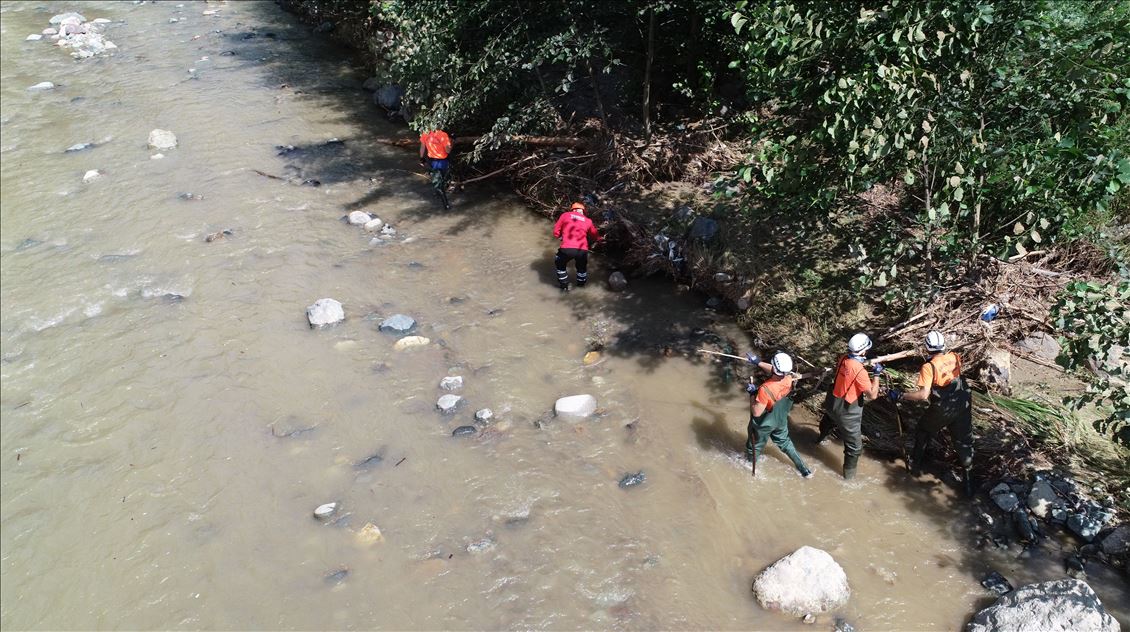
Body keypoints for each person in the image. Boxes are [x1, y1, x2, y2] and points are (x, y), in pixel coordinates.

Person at [887, 331, 973, 482]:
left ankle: (915, 466)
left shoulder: (928, 367)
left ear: (927, 348)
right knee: (963, 441)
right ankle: (968, 481)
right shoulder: (955, 356)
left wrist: (901, 395)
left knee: (923, 430)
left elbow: (923, 395)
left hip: (943, 408)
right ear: (943, 345)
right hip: (962, 402)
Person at [818, 333, 882, 479]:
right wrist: (877, 375)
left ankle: (818, 441)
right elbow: (872, 395)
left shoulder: (843, 358)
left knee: (828, 421)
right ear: (864, 351)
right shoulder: (860, 371)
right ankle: (848, 479)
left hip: (832, 403)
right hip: (847, 412)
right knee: (855, 447)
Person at [744, 352, 813, 479]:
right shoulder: (789, 378)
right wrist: (758, 362)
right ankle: (804, 470)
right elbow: (776, 371)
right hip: (781, 418)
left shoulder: (765, 389)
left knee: (754, 446)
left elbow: (756, 412)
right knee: (785, 443)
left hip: (765, 422)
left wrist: (752, 393)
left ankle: (748, 465)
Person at [552, 201, 599, 292]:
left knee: (560, 263)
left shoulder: (565, 215)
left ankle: (564, 286)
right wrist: (600, 240)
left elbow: (556, 231)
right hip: (582, 250)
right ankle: (581, 287)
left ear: (573, 210)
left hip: (567, 248)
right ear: (583, 211)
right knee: (581, 268)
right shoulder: (588, 220)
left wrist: (560, 237)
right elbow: (595, 235)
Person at [418, 129, 453, 209]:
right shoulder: (443, 134)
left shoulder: (426, 132)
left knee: (438, 182)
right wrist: (451, 141)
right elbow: (448, 150)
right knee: (439, 182)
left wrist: (421, 158)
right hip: (440, 161)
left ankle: (444, 202)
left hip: (435, 161)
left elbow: (422, 146)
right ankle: (446, 205)